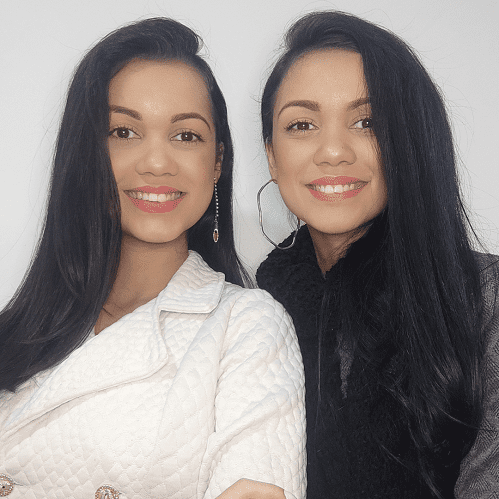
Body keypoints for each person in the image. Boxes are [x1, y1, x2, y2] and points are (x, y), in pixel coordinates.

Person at [0, 18, 305, 499]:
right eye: (124, 131)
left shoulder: (245, 327)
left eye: (186, 136)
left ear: (217, 162)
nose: (157, 162)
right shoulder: (22, 327)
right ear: (86, 154)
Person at [256, 10, 499, 499]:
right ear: (272, 156)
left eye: (367, 122)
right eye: (302, 124)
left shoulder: (483, 298)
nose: (333, 151)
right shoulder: (252, 311)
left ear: (410, 141)